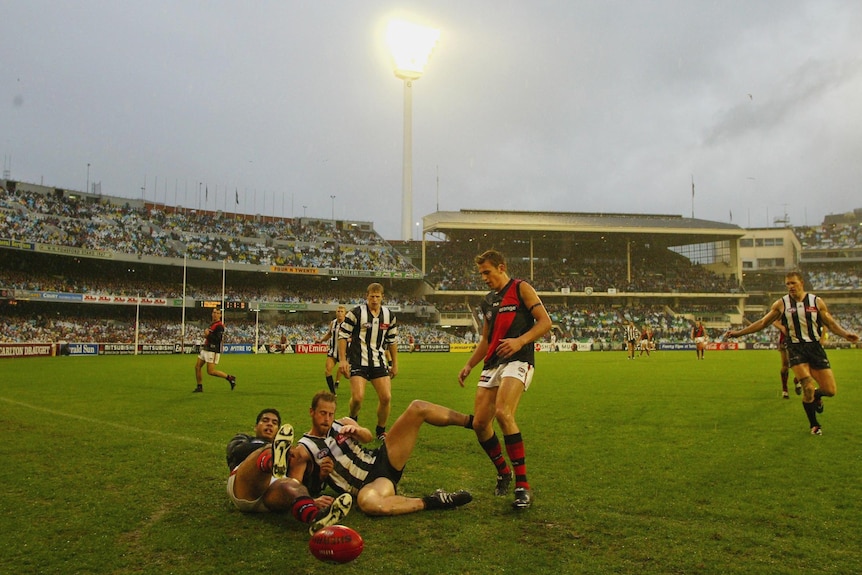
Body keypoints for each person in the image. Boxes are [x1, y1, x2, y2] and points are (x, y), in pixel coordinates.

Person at [457, 249, 552, 509]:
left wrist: (519, 341)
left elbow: (545, 322)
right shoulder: (487, 301)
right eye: (481, 274)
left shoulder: (521, 288)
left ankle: (523, 486)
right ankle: (503, 472)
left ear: (501, 266)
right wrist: (469, 364)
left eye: (487, 272)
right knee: (480, 424)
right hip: (492, 363)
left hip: (519, 358)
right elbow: (486, 340)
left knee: (503, 412)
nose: (484, 277)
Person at [289, 391, 473, 516]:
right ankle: (434, 501)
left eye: (330, 414)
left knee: (418, 408)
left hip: (381, 458)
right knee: (368, 503)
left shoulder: (341, 422)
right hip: (369, 485)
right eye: (322, 413)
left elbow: (369, 437)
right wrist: (313, 499)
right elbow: (294, 486)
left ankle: (472, 421)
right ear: (311, 412)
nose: (327, 419)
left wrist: (357, 432)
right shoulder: (304, 448)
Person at [725, 271, 859, 435]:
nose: (790, 286)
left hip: (815, 348)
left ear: (801, 283)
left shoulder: (816, 301)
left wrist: (846, 334)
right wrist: (739, 333)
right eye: (787, 284)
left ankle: (817, 396)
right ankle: (814, 425)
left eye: (793, 283)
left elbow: (830, 323)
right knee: (808, 386)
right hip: (795, 348)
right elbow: (762, 322)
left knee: (830, 390)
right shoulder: (781, 304)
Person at [225, 407, 352, 534]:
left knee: (292, 485)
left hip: (271, 497)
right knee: (268, 452)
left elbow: (305, 485)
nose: (270, 424)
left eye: (274, 423)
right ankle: (271, 461)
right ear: (255, 427)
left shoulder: (289, 453)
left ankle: (315, 517)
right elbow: (235, 451)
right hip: (245, 489)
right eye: (265, 420)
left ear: (277, 431)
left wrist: (320, 477)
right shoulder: (244, 439)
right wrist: (271, 448)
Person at [338, 283, 398, 440]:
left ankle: (380, 431)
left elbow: (392, 341)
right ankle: (352, 421)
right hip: (358, 361)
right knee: (357, 398)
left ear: (382, 297)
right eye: (372, 296)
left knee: (386, 397)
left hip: (379, 361)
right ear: (367, 296)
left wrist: (394, 364)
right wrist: (343, 360)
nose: (375, 299)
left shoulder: (389, 315)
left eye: (378, 296)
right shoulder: (356, 313)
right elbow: (343, 335)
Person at [193, 307, 236, 392]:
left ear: (220, 315)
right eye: (214, 312)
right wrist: (206, 335)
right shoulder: (212, 324)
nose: (215, 314)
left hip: (212, 350)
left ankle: (230, 378)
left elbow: (218, 340)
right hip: (206, 348)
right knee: (197, 367)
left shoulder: (219, 326)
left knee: (210, 371)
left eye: (217, 313)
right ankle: (199, 386)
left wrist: (208, 335)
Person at [315, 305, 346, 395]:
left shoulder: (348, 324)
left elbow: (354, 336)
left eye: (341, 311)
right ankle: (333, 393)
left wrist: (350, 339)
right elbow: (329, 334)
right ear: (335, 313)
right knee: (327, 370)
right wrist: (321, 340)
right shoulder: (333, 323)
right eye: (338, 311)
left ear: (345, 313)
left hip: (344, 353)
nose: (339, 313)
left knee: (347, 375)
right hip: (333, 352)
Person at [773, 320, 802, 399]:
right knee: (785, 366)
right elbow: (775, 321)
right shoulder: (784, 308)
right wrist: (782, 327)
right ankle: (785, 390)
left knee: (801, 363)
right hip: (785, 340)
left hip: (800, 340)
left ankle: (797, 380)